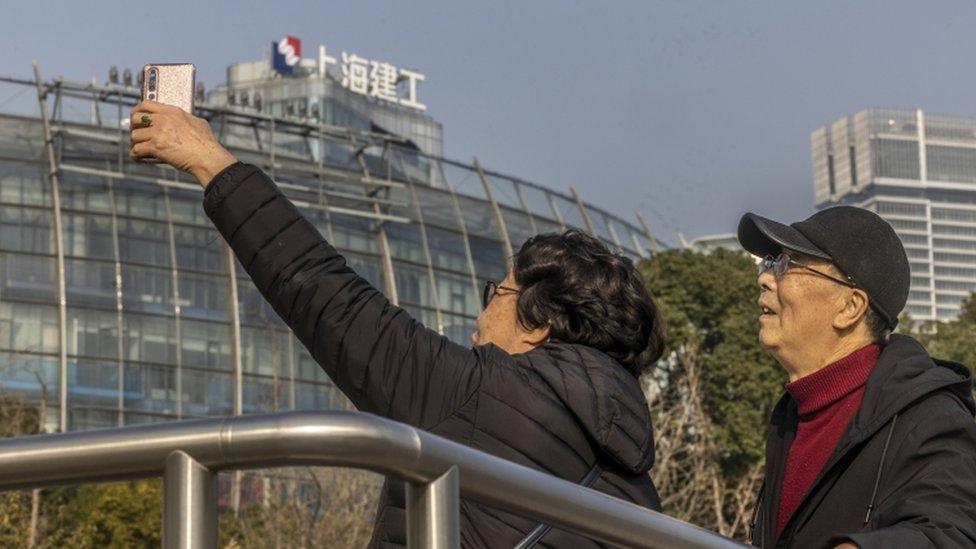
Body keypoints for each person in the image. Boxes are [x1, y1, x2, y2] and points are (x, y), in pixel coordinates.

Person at [129, 102, 666, 548]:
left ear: (539, 323)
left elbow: (324, 294)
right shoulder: (636, 481)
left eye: (497, 294)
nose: (478, 319)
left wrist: (208, 160)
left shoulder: (479, 394)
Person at [737, 207, 976, 548]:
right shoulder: (792, 416)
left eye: (788, 264)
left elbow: (952, 534)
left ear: (850, 307)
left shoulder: (930, 419)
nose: (764, 277)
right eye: (770, 262)